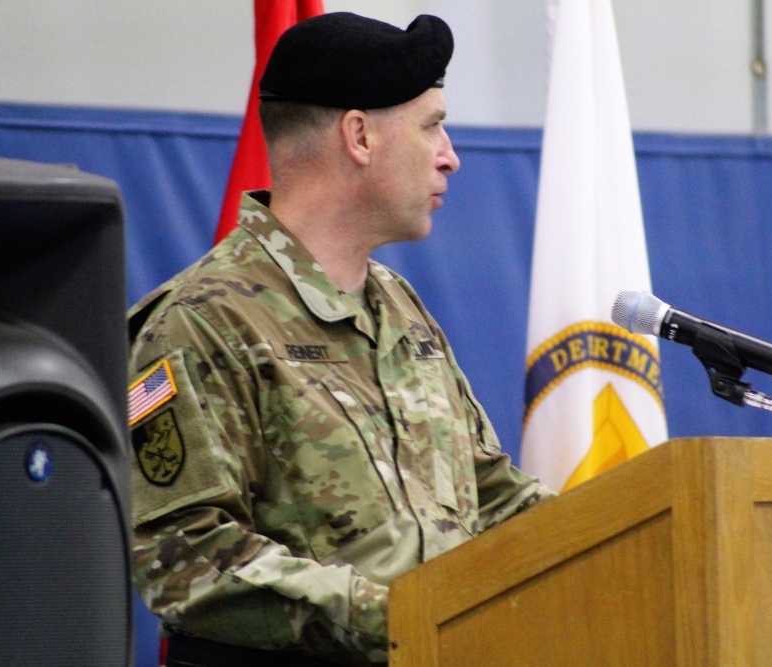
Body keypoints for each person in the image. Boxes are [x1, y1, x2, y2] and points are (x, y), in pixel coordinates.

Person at [126, 11, 554, 667]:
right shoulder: (200, 321)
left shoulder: (401, 309)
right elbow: (181, 555)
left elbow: (493, 496)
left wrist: (643, 530)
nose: (451, 155)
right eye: (432, 125)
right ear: (359, 136)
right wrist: (403, 615)